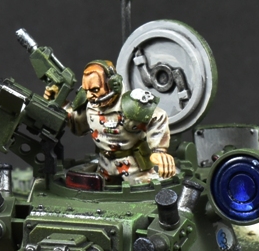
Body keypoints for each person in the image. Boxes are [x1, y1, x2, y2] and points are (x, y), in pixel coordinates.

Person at [46, 60, 176, 184]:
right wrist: (59, 102)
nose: (89, 96)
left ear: (113, 84)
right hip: (105, 164)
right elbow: (78, 125)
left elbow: (158, 116)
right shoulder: (91, 105)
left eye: (95, 90)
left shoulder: (130, 105)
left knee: (143, 192)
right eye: (86, 90)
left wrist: (159, 150)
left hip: (134, 167)